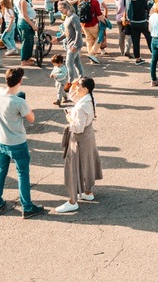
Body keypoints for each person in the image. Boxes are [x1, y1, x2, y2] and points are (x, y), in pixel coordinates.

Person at [0, 67, 45, 218]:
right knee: (22, 173)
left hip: (1, 139)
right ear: (20, 81)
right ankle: (27, 206)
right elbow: (31, 119)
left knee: (1, 170)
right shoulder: (19, 102)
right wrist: (28, 108)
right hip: (17, 142)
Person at [56, 77, 103, 213]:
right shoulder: (89, 99)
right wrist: (75, 84)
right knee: (87, 164)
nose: (76, 88)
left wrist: (69, 118)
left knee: (73, 168)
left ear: (85, 89)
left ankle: (72, 201)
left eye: (79, 86)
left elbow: (77, 128)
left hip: (79, 139)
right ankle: (87, 192)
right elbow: (73, 96)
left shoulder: (82, 106)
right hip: (88, 136)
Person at [58, 0, 85, 82]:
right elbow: (67, 32)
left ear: (66, 8)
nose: (60, 11)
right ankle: (82, 79)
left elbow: (78, 31)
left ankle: (70, 82)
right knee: (77, 63)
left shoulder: (74, 17)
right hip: (70, 44)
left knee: (68, 64)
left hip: (74, 45)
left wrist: (75, 45)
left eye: (61, 9)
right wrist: (58, 39)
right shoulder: (67, 17)